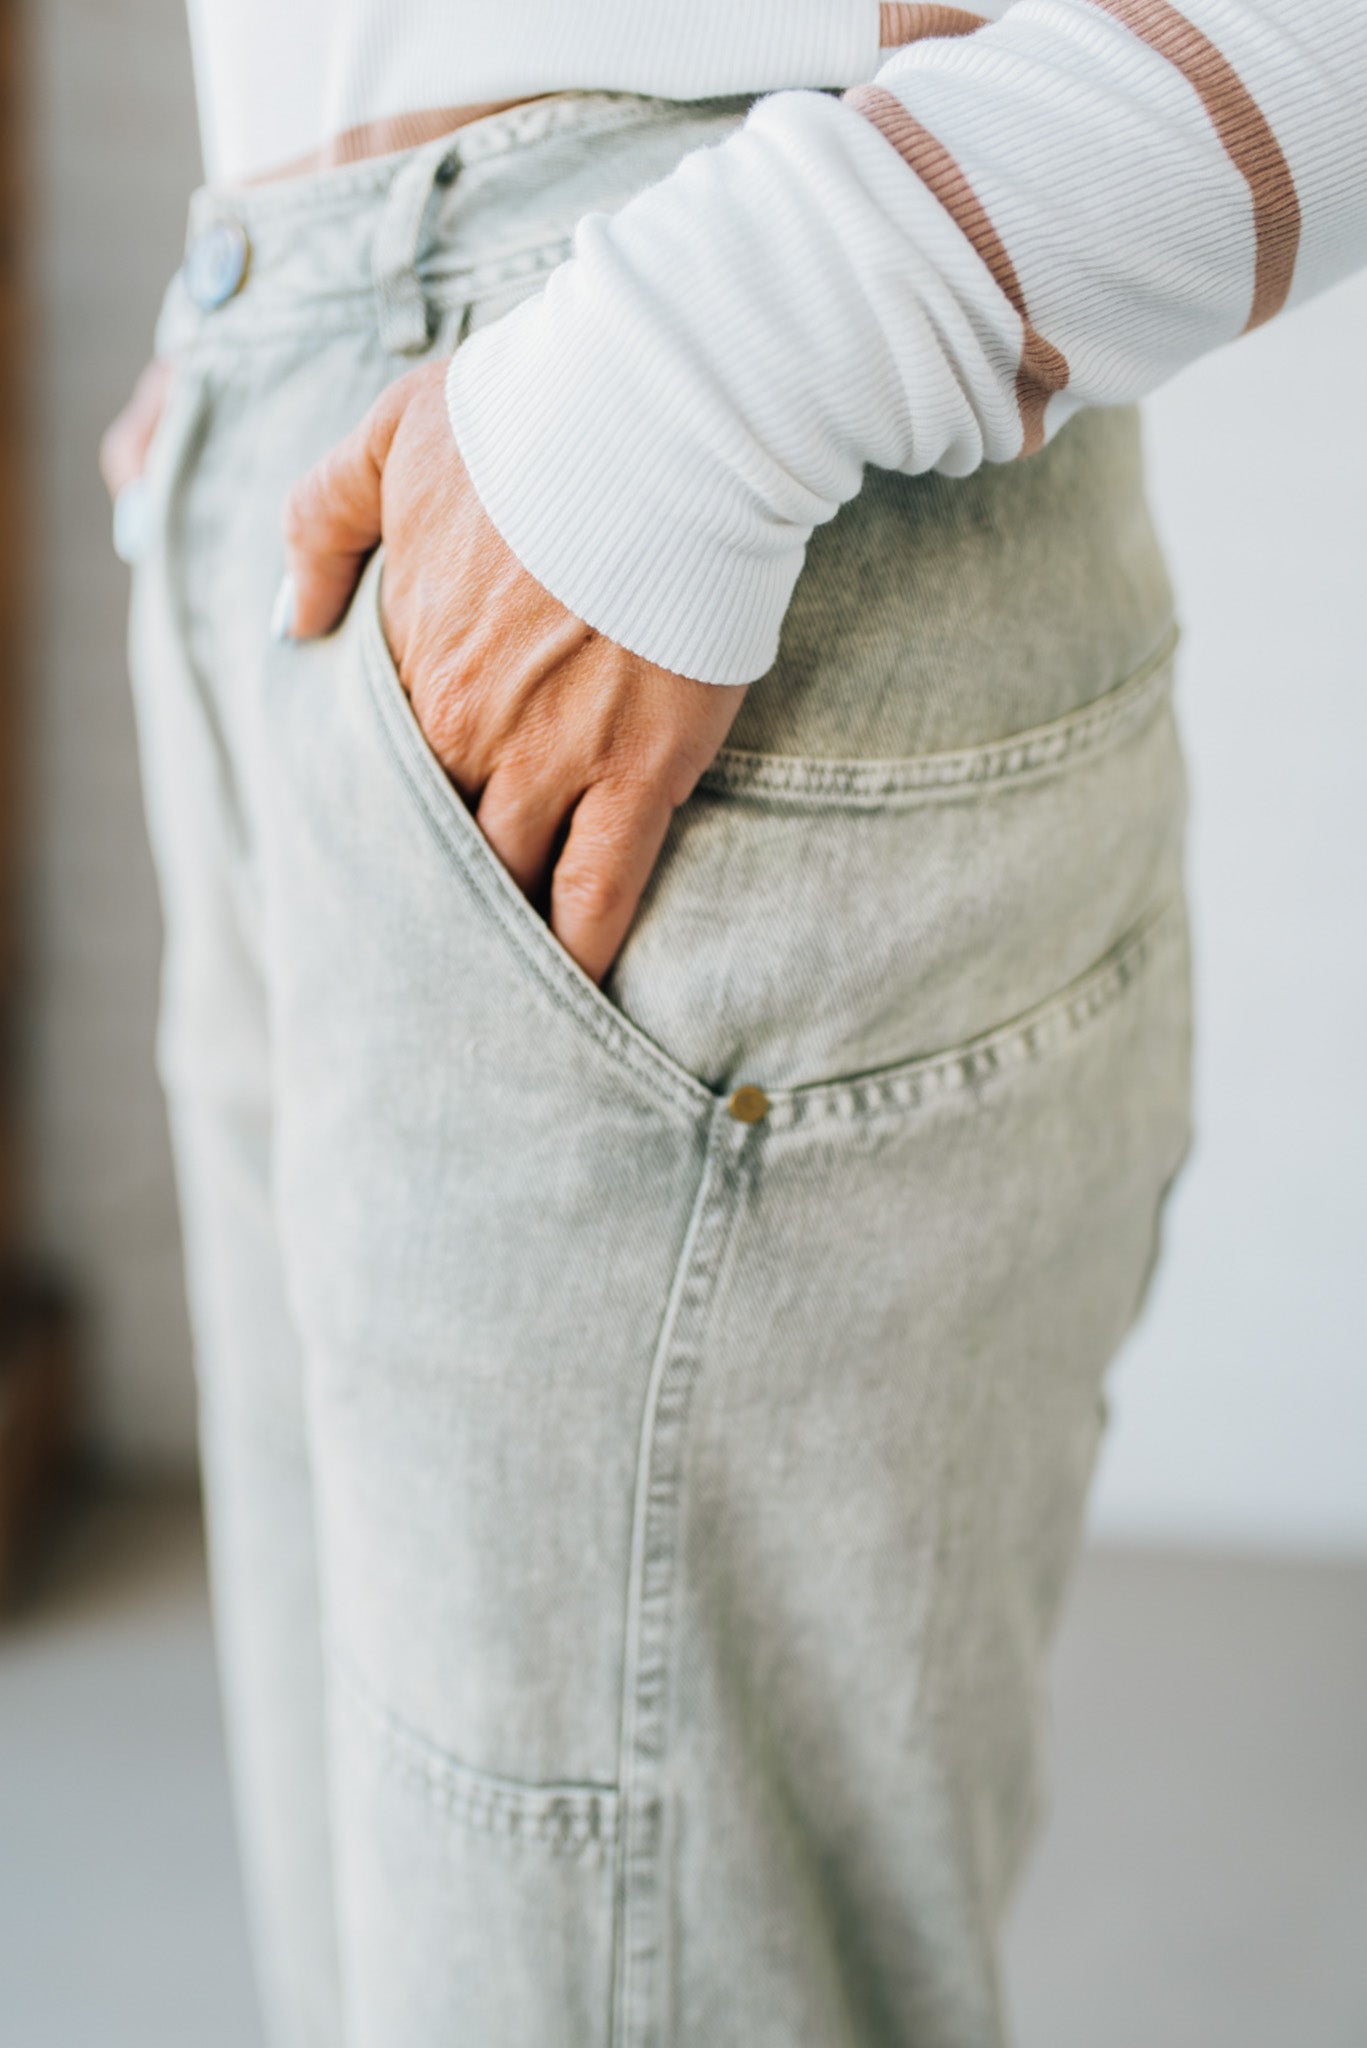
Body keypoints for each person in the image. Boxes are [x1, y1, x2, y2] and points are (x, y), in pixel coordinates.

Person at [99, 5, 1365, 2044]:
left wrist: (706, 373)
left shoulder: (693, 389)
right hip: (345, 441)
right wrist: (260, 314)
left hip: (708, 458)